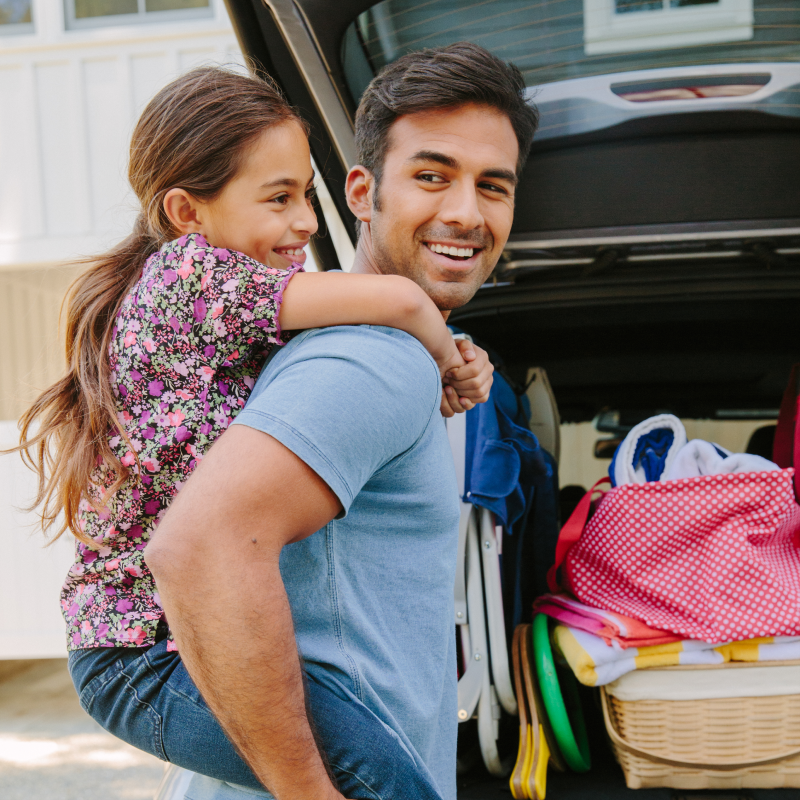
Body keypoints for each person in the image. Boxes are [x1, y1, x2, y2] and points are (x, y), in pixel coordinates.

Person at [14, 64, 496, 799]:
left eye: (306, 192)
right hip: (138, 657)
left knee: (383, 768)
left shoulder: (227, 305)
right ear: (188, 212)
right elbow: (397, 299)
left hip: (159, 646)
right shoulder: (189, 280)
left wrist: (449, 353)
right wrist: (448, 359)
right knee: (377, 776)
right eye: (279, 198)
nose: (305, 221)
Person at [139, 43, 537, 800]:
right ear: (360, 191)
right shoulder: (373, 362)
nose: (464, 211)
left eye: (493, 186)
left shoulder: (366, 350)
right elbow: (196, 547)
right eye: (431, 176)